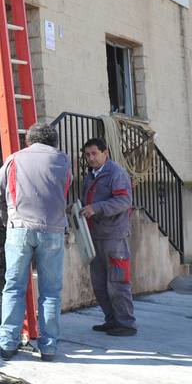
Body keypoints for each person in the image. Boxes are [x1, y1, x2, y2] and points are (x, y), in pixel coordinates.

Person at [0, 122, 71, 361]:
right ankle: (48, 347)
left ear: (29, 141)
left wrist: (8, 220)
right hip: (53, 229)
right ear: (53, 141)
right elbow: (66, 189)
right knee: (50, 292)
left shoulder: (14, 159)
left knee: (14, 287)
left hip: (19, 228)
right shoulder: (63, 160)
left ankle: (7, 344)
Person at [82, 137, 136, 336]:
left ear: (106, 153)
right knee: (99, 284)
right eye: (87, 155)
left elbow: (124, 200)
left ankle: (126, 323)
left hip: (114, 237)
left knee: (118, 282)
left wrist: (96, 208)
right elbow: (89, 200)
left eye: (95, 153)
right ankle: (111, 320)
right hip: (95, 236)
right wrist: (78, 208)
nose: (91, 158)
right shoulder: (91, 175)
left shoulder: (117, 173)